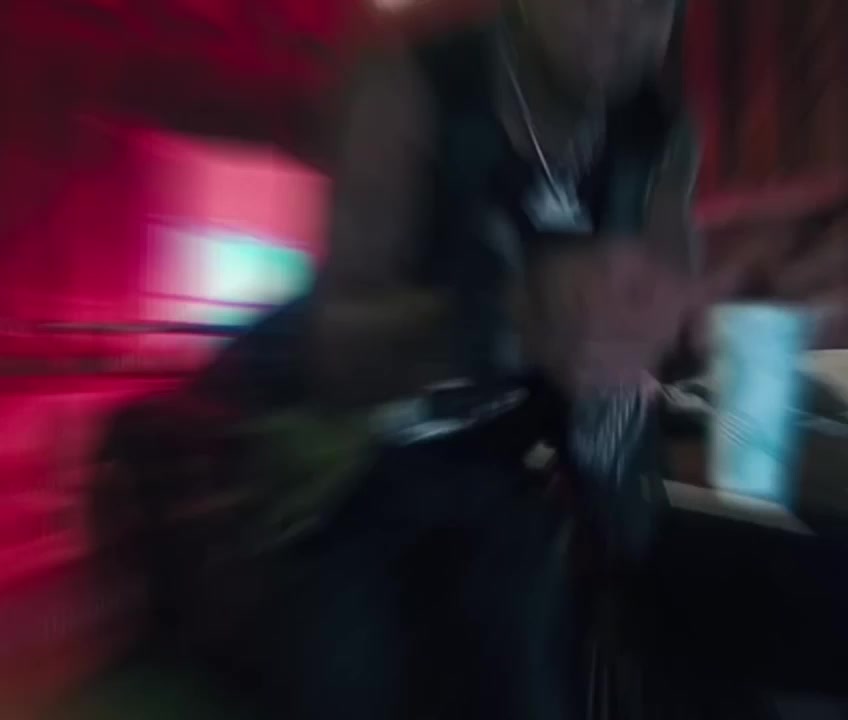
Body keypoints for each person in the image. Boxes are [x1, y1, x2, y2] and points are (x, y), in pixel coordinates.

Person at [150, 1, 703, 719]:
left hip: (512, 480)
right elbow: (337, 348)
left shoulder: (657, 132)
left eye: (651, 7)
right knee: (349, 669)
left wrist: (712, 311)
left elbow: (666, 316)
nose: (619, 21)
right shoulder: (412, 84)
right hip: (356, 471)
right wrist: (514, 314)